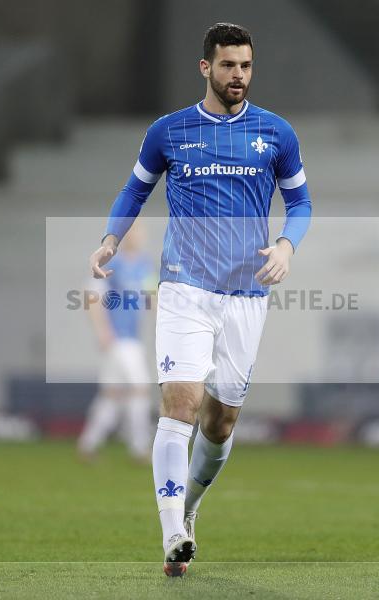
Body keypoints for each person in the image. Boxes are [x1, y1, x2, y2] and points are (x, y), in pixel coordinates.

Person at [88, 22, 312, 577]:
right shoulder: (169, 131)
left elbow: (301, 203)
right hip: (184, 287)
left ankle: (187, 509)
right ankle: (171, 532)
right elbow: (135, 188)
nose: (239, 75)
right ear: (205, 67)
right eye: (229, 65)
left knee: (221, 422)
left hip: (246, 295)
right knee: (180, 404)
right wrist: (112, 238)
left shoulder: (276, 133)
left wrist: (287, 245)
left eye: (246, 66)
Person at [78, 221, 155, 463]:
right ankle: (140, 448)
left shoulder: (144, 265)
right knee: (140, 388)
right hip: (119, 339)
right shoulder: (112, 262)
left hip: (132, 338)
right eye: (134, 231)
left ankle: (87, 445)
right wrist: (102, 331)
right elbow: (91, 295)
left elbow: (153, 299)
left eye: (140, 231)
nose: (138, 236)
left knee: (112, 395)